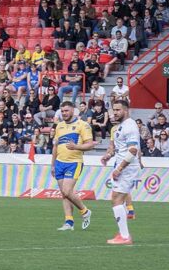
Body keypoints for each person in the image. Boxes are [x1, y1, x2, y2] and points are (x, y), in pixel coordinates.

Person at [100, 100, 142, 246]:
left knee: (117, 199)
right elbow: (120, 148)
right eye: (114, 110)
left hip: (127, 168)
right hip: (122, 165)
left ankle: (125, 237)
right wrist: (108, 156)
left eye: (118, 110)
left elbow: (132, 151)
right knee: (117, 198)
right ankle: (123, 233)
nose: (115, 112)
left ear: (126, 110)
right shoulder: (120, 126)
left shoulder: (130, 126)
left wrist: (119, 169)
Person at [52, 101, 96, 231]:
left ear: (73, 111)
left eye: (66, 111)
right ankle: (69, 222)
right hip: (59, 163)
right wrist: (52, 165)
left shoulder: (83, 125)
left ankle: (85, 211)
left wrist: (76, 146)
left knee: (67, 191)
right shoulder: (59, 126)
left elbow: (90, 144)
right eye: (62, 111)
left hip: (74, 162)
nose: (64, 113)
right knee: (64, 194)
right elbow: (55, 146)